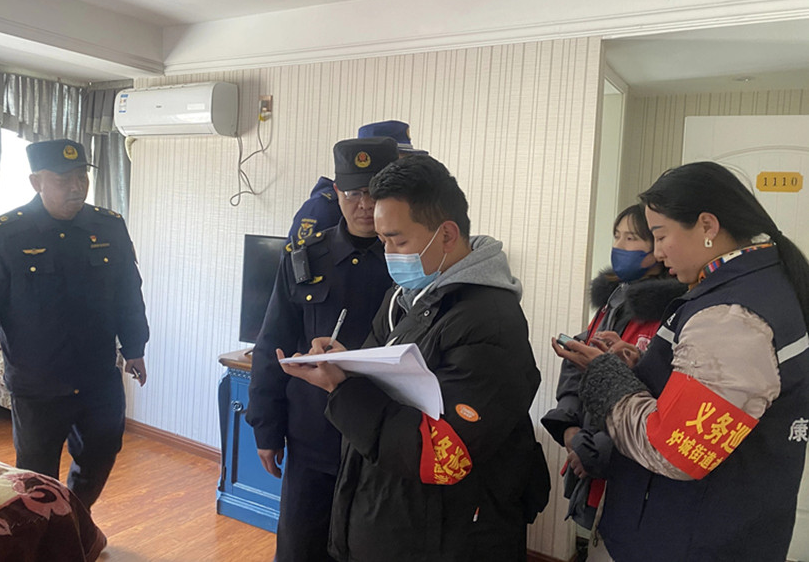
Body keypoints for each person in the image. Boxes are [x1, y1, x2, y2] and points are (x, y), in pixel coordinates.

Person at [279, 155, 550, 562]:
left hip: (444, 536)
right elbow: (383, 386)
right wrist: (347, 363)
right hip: (391, 517)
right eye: (383, 240)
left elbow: (445, 455)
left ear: (447, 234)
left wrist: (342, 388)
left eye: (398, 241)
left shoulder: (490, 321)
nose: (388, 253)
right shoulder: (406, 297)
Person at [554, 162, 809, 562]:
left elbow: (674, 450)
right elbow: (712, 389)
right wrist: (643, 365)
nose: (657, 252)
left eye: (660, 235)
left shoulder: (733, 317)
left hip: (689, 539)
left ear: (707, 226)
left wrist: (607, 377)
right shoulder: (751, 285)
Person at [0, 139, 149, 511]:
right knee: (36, 475)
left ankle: (73, 517)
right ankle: (46, 530)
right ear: (36, 182)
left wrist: (135, 347)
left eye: (82, 177)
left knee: (103, 452)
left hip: (97, 376)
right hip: (38, 385)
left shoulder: (108, 226)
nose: (76, 187)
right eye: (64, 180)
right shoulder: (3, 235)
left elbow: (128, 290)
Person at [246, 136, 399, 562]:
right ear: (336, 192)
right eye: (353, 193)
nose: (364, 205)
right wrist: (266, 427)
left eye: (375, 193)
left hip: (381, 441)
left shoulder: (409, 261)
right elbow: (273, 342)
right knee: (299, 549)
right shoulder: (306, 257)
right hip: (313, 435)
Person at [540, 204, 684, 553]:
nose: (619, 246)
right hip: (588, 450)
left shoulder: (673, 310)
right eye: (616, 236)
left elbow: (658, 397)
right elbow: (578, 364)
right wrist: (570, 429)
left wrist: (594, 450)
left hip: (628, 466)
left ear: (658, 246)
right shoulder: (614, 299)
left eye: (631, 238)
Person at [287, 120, 426, 241]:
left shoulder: (401, 198)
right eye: (397, 161)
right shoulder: (324, 206)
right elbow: (300, 256)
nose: (402, 169)